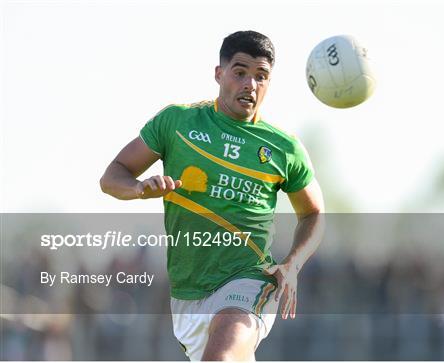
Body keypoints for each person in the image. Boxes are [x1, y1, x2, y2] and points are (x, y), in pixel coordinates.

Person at [100, 30, 324, 361]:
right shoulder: (176, 122)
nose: (250, 84)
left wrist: (293, 263)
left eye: (261, 76)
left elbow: (313, 213)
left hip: (250, 280)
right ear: (219, 74)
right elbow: (112, 175)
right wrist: (137, 189)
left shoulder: (284, 148)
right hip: (188, 292)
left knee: (221, 356)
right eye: (240, 72)